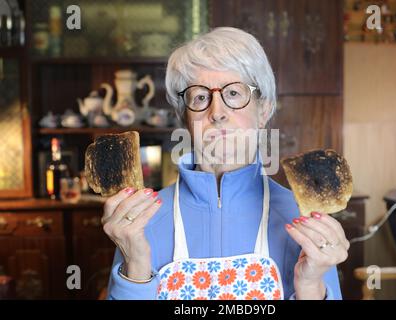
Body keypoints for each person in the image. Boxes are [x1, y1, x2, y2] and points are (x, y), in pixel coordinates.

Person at [104, 27, 349, 300]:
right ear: (184, 117)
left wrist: (311, 285)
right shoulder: (140, 221)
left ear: (264, 110)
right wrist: (136, 264)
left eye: (233, 93)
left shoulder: (302, 220)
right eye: (200, 97)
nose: (217, 113)